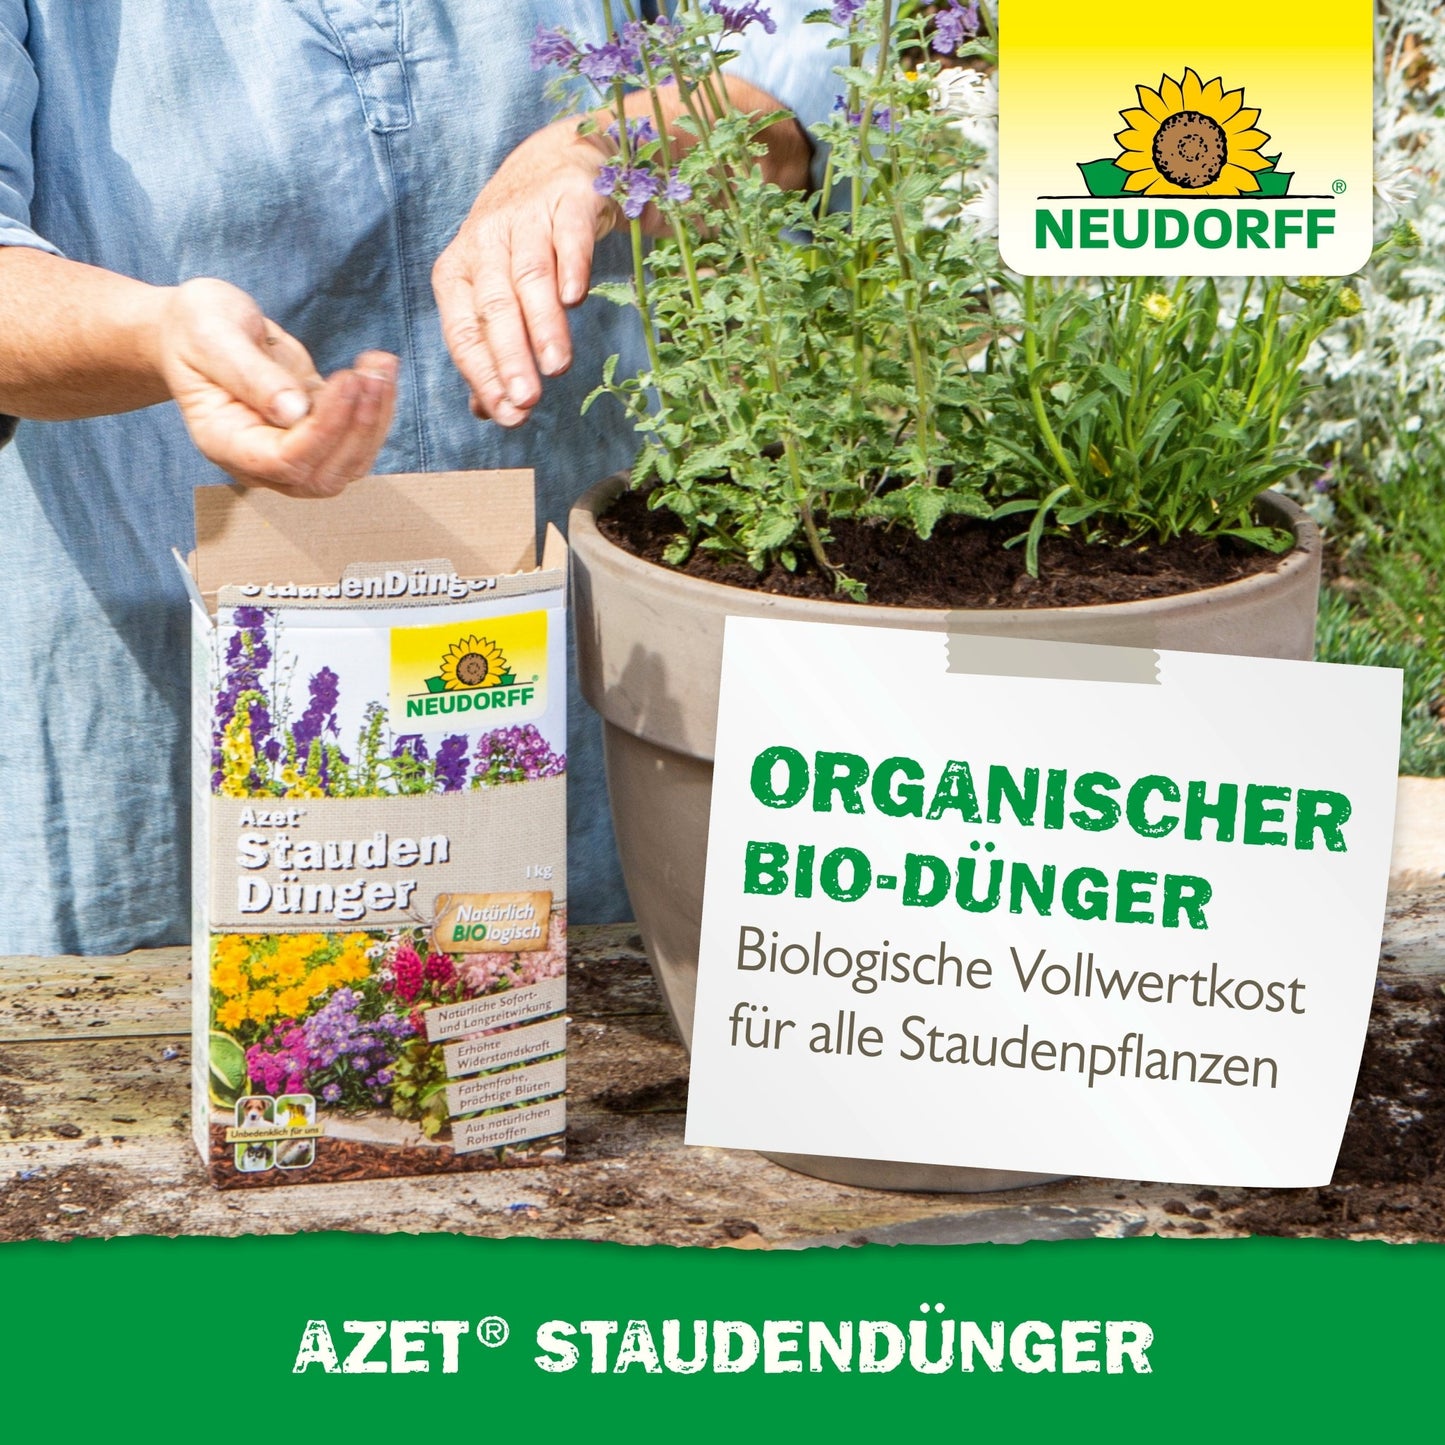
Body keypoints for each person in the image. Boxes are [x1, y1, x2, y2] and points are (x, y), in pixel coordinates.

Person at [0, 2, 839, 955]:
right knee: (166, 1065)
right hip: (157, 691)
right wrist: (158, 336)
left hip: (574, 666)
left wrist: (612, 140)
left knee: (576, 1045)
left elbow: (799, 111)